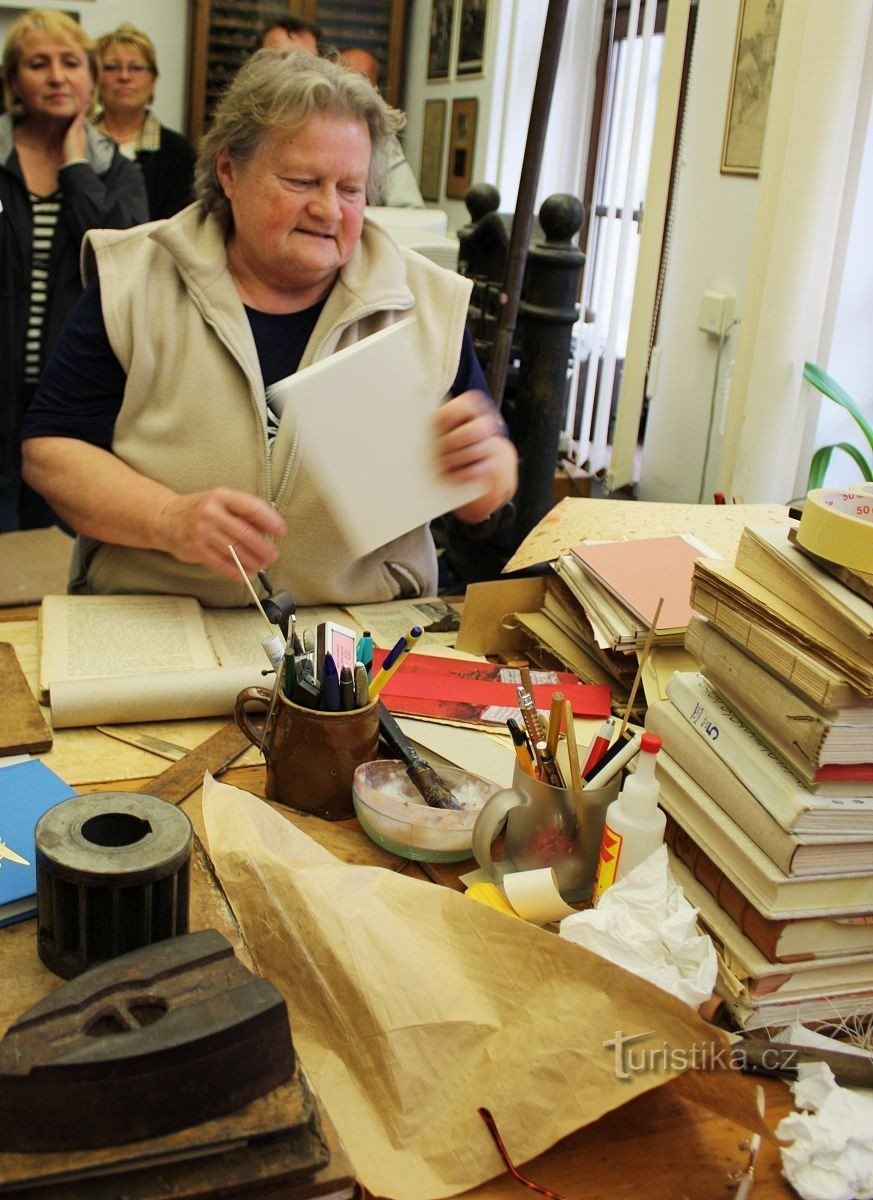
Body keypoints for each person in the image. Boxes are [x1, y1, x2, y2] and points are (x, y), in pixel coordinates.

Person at [21, 51, 517, 608]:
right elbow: (51, 450)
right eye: (302, 180)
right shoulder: (135, 279)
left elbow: (482, 489)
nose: (328, 210)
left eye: (350, 189)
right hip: (161, 615)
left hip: (356, 633)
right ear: (229, 172)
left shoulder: (425, 302)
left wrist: (489, 478)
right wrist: (166, 518)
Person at [0, 8, 148, 532]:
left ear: (91, 79)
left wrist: (76, 168)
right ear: (14, 80)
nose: (57, 76)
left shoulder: (118, 171)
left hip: (74, 400)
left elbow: (126, 261)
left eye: (71, 63)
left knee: (57, 555)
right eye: (39, 64)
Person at [95, 23, 196, 220]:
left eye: (136, 68)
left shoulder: (177, 152)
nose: (124, 76)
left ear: (153, 81)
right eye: (112, 68)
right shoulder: (76, 141)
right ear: (95, 78)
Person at [340, 46, 425, 208]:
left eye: (362, 83)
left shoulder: (382, 138)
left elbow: (411, 211)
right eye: (345, 78)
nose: (349, 91)